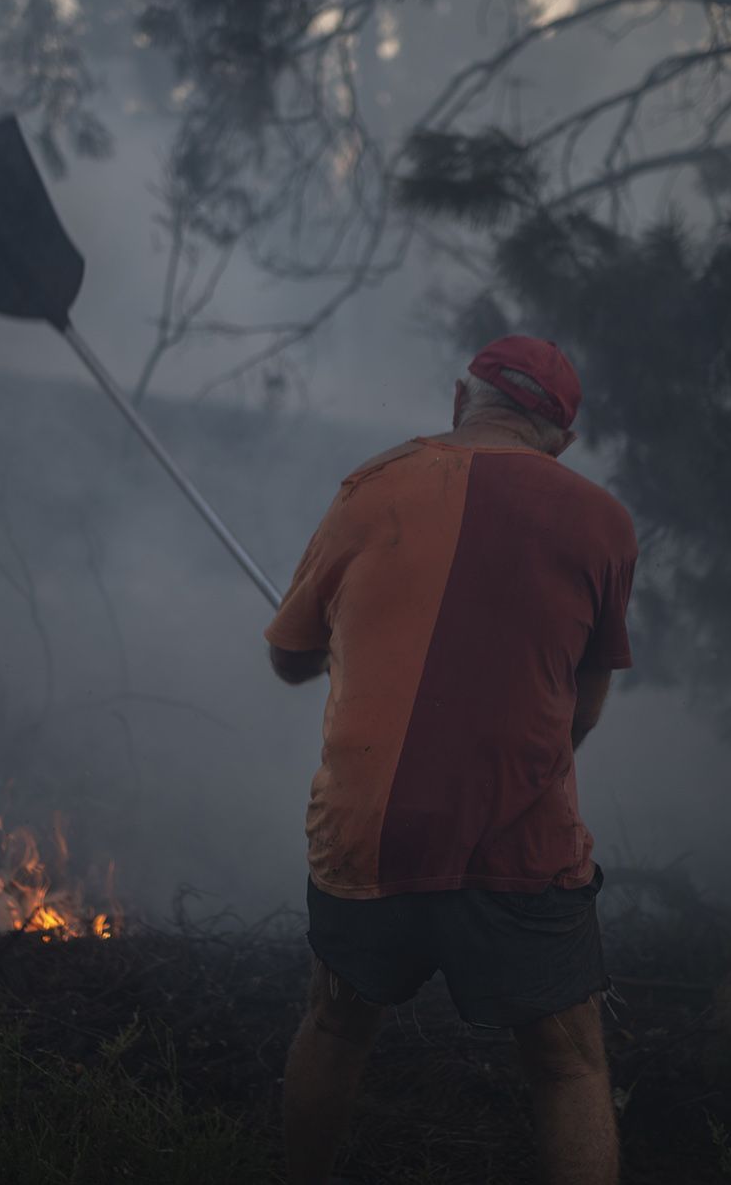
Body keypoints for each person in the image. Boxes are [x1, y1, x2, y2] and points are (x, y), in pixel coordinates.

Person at [266, 335, 637, 1185]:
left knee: (333, 1026)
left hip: (371, 837)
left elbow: (289, 658)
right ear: (561, 440)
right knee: (570, 1066)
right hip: (519, 844)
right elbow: (582, 710)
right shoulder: (604, 526)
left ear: (459, 397)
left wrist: (333, 640)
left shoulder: (372, 488)